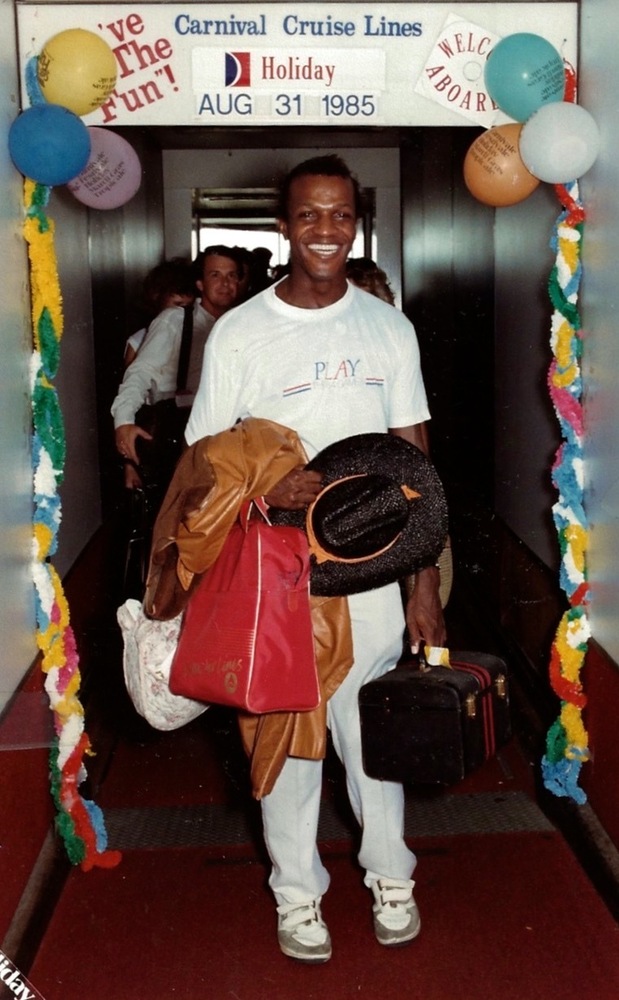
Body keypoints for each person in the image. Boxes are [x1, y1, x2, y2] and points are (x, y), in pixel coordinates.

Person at [185, 155, 445, 964]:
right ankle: (296, 896)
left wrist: (423, 584)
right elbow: (202, 459)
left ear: (355, 224)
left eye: (340, 215)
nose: (325, 231)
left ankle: (390, 879)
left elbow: (415, 464)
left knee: (371, 739)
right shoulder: (240, 331)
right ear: (283, 227)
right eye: (308, 215)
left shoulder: (387, 328)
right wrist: (266, 481)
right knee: (285, 741)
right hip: (274, 572)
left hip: (370, 569)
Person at [112, 245, 243, 478]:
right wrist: (123, 421)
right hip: (179, 432)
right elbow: (140, 372)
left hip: (230, 437)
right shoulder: (174, 320)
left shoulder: (245, 324)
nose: (225, 283)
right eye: (215, 275)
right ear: (200, 283)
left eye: (231, 276)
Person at [121, 260, 196, 491]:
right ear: (157, 298)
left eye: (188, 306)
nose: (182, 312)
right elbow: (131, 392)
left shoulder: (192, 333)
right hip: (155, 427)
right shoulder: (139, 339)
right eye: (177, 305)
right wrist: (129, 464)